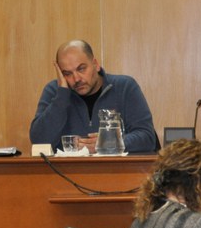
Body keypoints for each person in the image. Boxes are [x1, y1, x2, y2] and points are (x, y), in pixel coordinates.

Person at [30, 39, 158, 153]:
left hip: (118, 170)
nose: (76, 79)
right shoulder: (55, 91)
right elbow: (39, 142)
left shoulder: (124, 87)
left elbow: (147, 137)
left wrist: (109, 143)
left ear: (95, 65)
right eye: (67, 74)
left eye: (81, 69)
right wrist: (62, 96)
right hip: (66, 171)